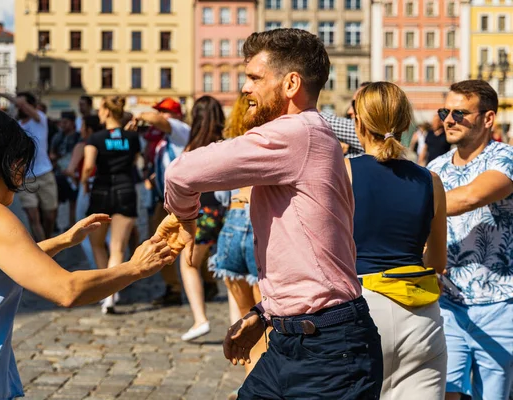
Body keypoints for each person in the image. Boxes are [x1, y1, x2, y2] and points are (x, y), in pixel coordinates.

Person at [156, 28, 383, 399]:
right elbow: (308, 257)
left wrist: (186, 220)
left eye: (255, 78)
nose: (245, 88)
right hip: (296, 341)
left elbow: (182, 172)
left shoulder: (296, 132)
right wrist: (263, 314)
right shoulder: (311, 133)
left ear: (291, 83)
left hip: (330, 351)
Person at [0, 107, 175, 399]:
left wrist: (63, 240)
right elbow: (68, 290)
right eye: (21, 164)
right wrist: (135, 267)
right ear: (4, 160)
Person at [346, 82, 448, 399]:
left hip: (360, 308)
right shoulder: (430, 180)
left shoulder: (343, 172)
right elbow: (437, 262)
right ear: (406, 124)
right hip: (420, 315)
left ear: (358, 122)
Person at [427, 80, 513, 400]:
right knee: (444, 392)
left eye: (459, 113)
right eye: (444, 112)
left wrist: (413, 205)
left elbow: (474, 195)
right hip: (448, 304)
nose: (448, 120)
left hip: (500, 304)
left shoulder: (505, 157)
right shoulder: (435, 168)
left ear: (487, 119)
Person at [210, 93, 267, 400]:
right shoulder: (274, 140)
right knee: (265, 322)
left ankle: (248, 385)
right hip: (259, 224)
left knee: (246, 317)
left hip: (232, 222)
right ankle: (257, 388)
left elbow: (218, 193)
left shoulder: (234, 145)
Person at [126, 98, 192, 306]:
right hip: (166, 198)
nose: (161, 116)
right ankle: (174, 286)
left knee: (177, 243)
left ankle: (186, 286)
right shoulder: (163, 137)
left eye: (165, 112)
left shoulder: (179, 129)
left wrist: (140, 115)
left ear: (176, 115)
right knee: (166, 242)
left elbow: (156, 120)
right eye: (159, 112)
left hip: (181, 198)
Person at [173, 96, 227, 341]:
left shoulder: (192, 147)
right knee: (229, 270)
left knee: (188, 263)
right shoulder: (227, 144)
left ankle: (200, 319)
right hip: (227, 212)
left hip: (201, 213)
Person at [81, 96, 141, 314]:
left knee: (97, 244)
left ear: (106, 111)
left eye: (100, 109)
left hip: (102, 190)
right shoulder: (132, 137)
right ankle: (112, 296)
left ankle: (105, 292)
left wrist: (83, 183)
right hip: (126, 189)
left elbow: (88, 167)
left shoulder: (95, 137)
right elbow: (135, 161)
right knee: (118, 248)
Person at [0, 90, 58, 242]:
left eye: (23, 104)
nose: (19, 107)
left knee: (49, 216)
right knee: (32, 216)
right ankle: (43, 250)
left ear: (31, 105)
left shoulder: (40, 119)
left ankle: (48, 241)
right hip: (25, 176)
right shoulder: (18, 126)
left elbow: (20, 103)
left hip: (45, 173)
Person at [65, 115, 103, 269]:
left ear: (89, 129)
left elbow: (70, 170)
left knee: (84, 227)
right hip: (105, 186)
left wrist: (79, 182)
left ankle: (96, 266)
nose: (80, 129)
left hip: (87, 186)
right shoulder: (104, 141)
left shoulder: (82, 145)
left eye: (83, 126)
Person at [50, 111, 81, 228]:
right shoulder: (58, 137)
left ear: (72, 123)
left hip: (73, 175)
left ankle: (72, 224)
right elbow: (52, 153)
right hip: (59, 174)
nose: (63, 125)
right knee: (55, 201)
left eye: (65, 122)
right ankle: (54, 224)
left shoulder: (78, 137)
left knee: (73, 202)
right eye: (61, 122)